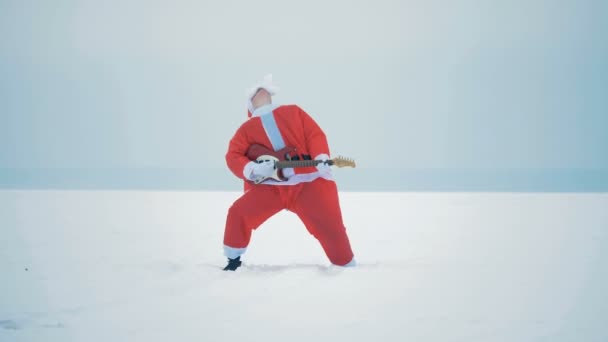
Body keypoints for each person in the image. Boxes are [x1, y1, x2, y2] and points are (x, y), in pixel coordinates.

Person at [222, 74, 356, 271]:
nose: (259, 91)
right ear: (249, 105)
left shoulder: (294, 112)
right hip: (270, 188)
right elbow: (233, 155)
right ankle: (233, 261)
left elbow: (314, 134)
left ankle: (346, 265)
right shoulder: (245, 129)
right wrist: (252, 169)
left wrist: (320, 156)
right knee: (238, 213)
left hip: (308, 183)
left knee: (330, 227)